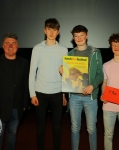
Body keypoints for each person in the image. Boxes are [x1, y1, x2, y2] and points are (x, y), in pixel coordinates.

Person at [61, 25, 103, 150]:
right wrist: (63, 70)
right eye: (76, 36)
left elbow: (100, 74)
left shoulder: (95, 53)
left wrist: (93, 85)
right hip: (74, 97)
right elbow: (68, 77)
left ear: (87, 35)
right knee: (74, 128)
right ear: (73, 38)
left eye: (81, 35)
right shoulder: (70, 54)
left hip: (90, 97)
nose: (79, 38)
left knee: (91, 128)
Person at [29, 18, 68, 150]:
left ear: (58, 32)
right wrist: (32, 94)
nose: (51, 32)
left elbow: (66, 75)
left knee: (57, 128)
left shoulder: (63, 50)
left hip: (57, 93)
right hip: (40, 93)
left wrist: (63, 95)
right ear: (45, 30)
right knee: (41, 128)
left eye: (54, 30)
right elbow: (32, 72)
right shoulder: (37, 48)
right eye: (49, 29)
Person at [0, 33, 29, 150]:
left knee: (12, 133)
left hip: (17, 107)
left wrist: (24, 104)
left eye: (14, 43)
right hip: (1, 106)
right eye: (7, 43)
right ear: (3, 46)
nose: (11, 45)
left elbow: (26, 84)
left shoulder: (24, 62)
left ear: (18, 46)